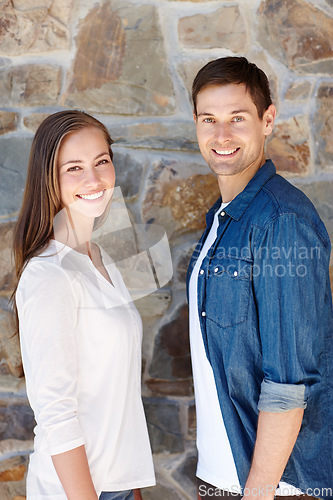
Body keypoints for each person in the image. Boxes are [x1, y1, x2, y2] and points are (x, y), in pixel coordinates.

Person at [186, 57, 333, 500]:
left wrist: (258, 493)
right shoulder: (222, 220)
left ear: (267, 120)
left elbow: (289, 383)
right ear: (195, 123)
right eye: (209, 119)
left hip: (274, 487)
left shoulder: (282, 221)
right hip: (224, 475)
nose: (222, 135)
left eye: (238, 118)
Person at [12, 110, 155, 500]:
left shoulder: (102, 260)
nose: (93, 180)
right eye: (73, 168)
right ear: (50, 179)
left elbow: (119, 396)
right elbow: (56, 414)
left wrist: (132, 487)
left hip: (118, 486)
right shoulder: (48, 275)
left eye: (101, 162)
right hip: (76, 491)